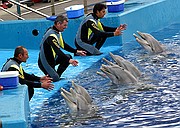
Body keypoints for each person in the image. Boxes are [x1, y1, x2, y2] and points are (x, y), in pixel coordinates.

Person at [38, 15, 86, 82]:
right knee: (55, 79)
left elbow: (63, 45)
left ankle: (57, 74)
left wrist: (76, 51)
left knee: (68, 57)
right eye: (64, 25)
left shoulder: (57, 32)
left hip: (53, 59)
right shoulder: (51, 36)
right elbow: (58, 51)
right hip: (45, 62)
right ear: (58, 24)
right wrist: (70, 60)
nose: (66, 27)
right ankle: (43, 78)